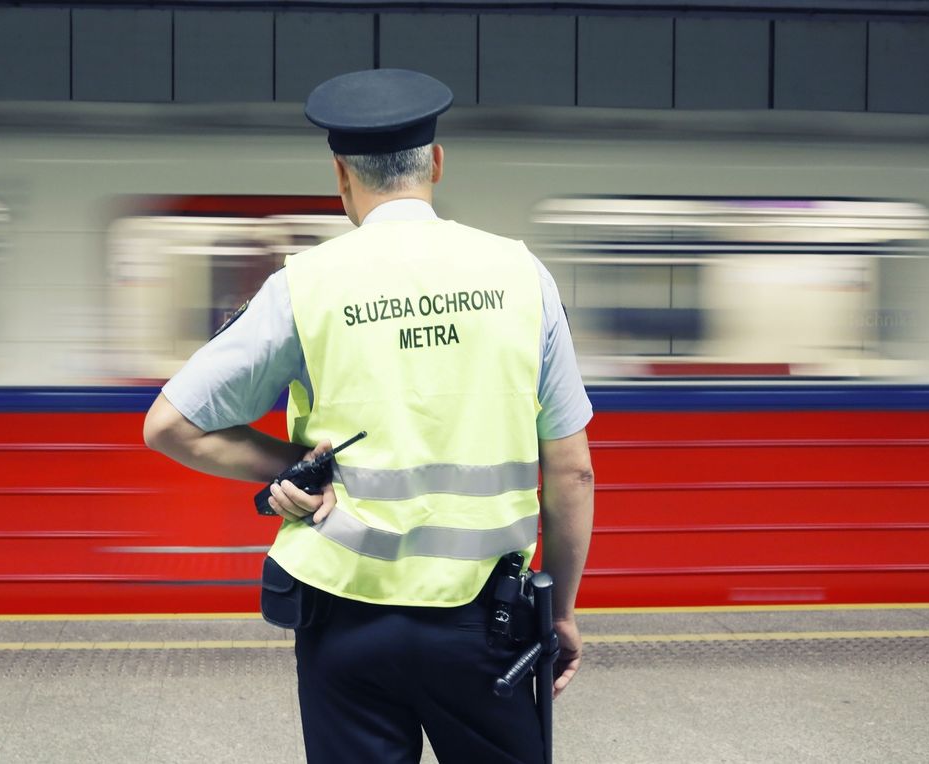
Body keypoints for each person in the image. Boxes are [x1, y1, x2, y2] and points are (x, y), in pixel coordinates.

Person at [143, 68, 595, 764]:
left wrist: (286, 467)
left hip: (343, 618)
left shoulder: (304, 284)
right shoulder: (520, 274)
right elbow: (572, 472)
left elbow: (169, 424)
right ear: (436, 164)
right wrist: (558, 612)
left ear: (342, 176)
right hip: (487, 623)